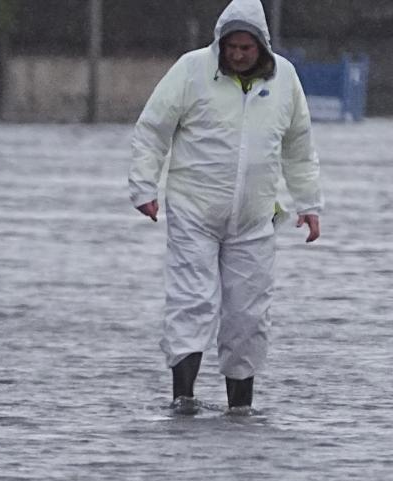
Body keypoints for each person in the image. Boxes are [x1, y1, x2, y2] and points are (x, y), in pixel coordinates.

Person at [129, 0, 324, 416]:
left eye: (245, 48)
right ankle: (183, 399)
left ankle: (240, 408)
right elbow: (153, 130)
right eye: (230, 47)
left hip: (255, 220)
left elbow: (299, 146)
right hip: (193, 212)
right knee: (192, 302)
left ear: (262, 47)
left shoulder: (285, 78)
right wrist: (143, 185)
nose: (236, 55)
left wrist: (309, 203)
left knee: (248, 315)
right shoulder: (191, 70)